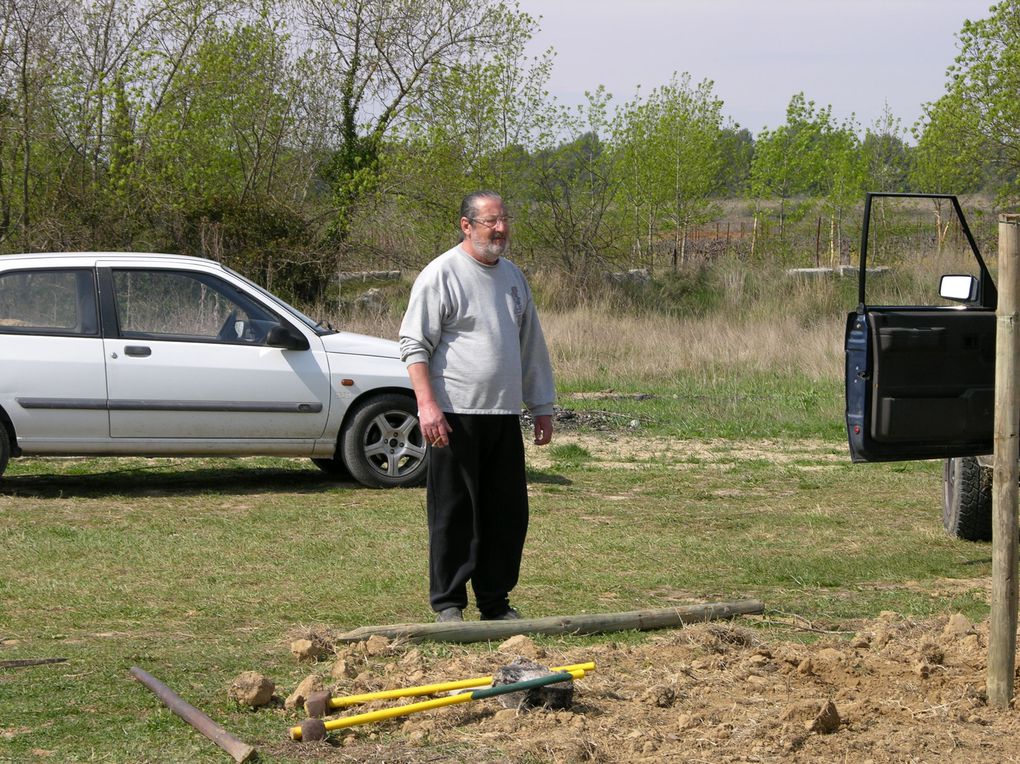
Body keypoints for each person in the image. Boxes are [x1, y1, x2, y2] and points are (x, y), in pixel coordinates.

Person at [399, 191, 555, 623]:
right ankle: (448, 603)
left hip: (502, 415)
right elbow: (414, 344)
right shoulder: (442, 274)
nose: (501, 229)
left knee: (506, 514)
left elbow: (530, 345)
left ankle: (495, 602)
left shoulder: (513, 278)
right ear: (467, 225)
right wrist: (426, 405)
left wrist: (541, 403)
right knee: (454, 513)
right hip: (453, 415)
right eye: (491, 221)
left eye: (504, 220)